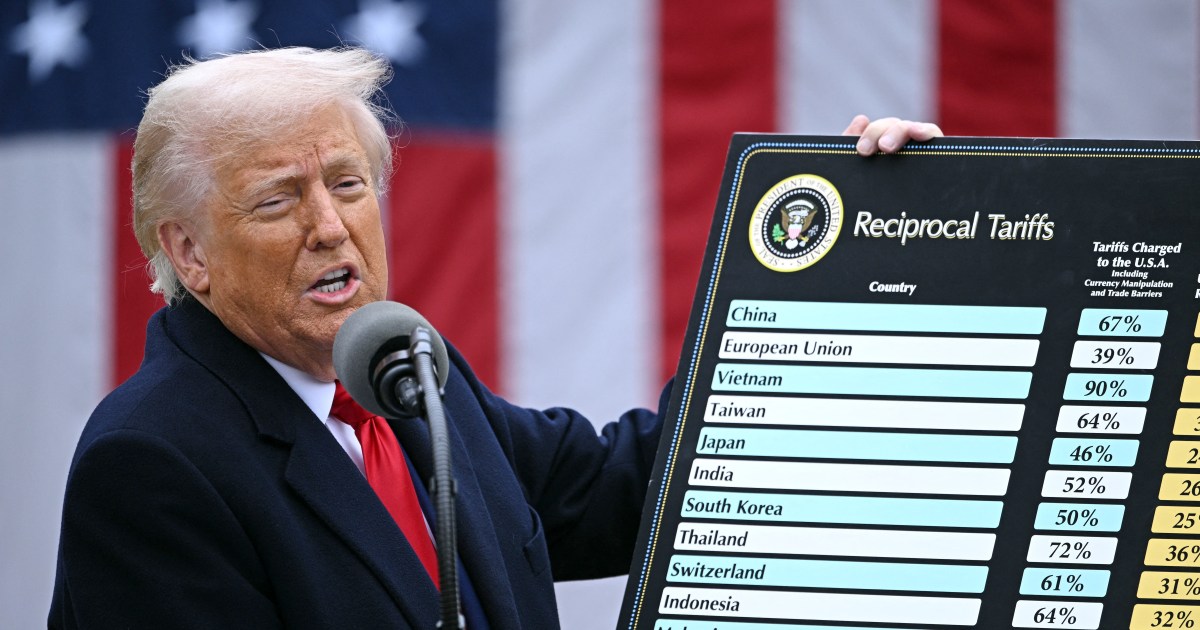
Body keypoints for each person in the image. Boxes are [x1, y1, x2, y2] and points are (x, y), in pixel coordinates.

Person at [48, 47, 942, 629]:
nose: (329, 226)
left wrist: (840, 267)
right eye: (279, 200)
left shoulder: (405, 375)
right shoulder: (151, 463)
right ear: (189, 252)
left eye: (349, 185)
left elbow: (633, 487)